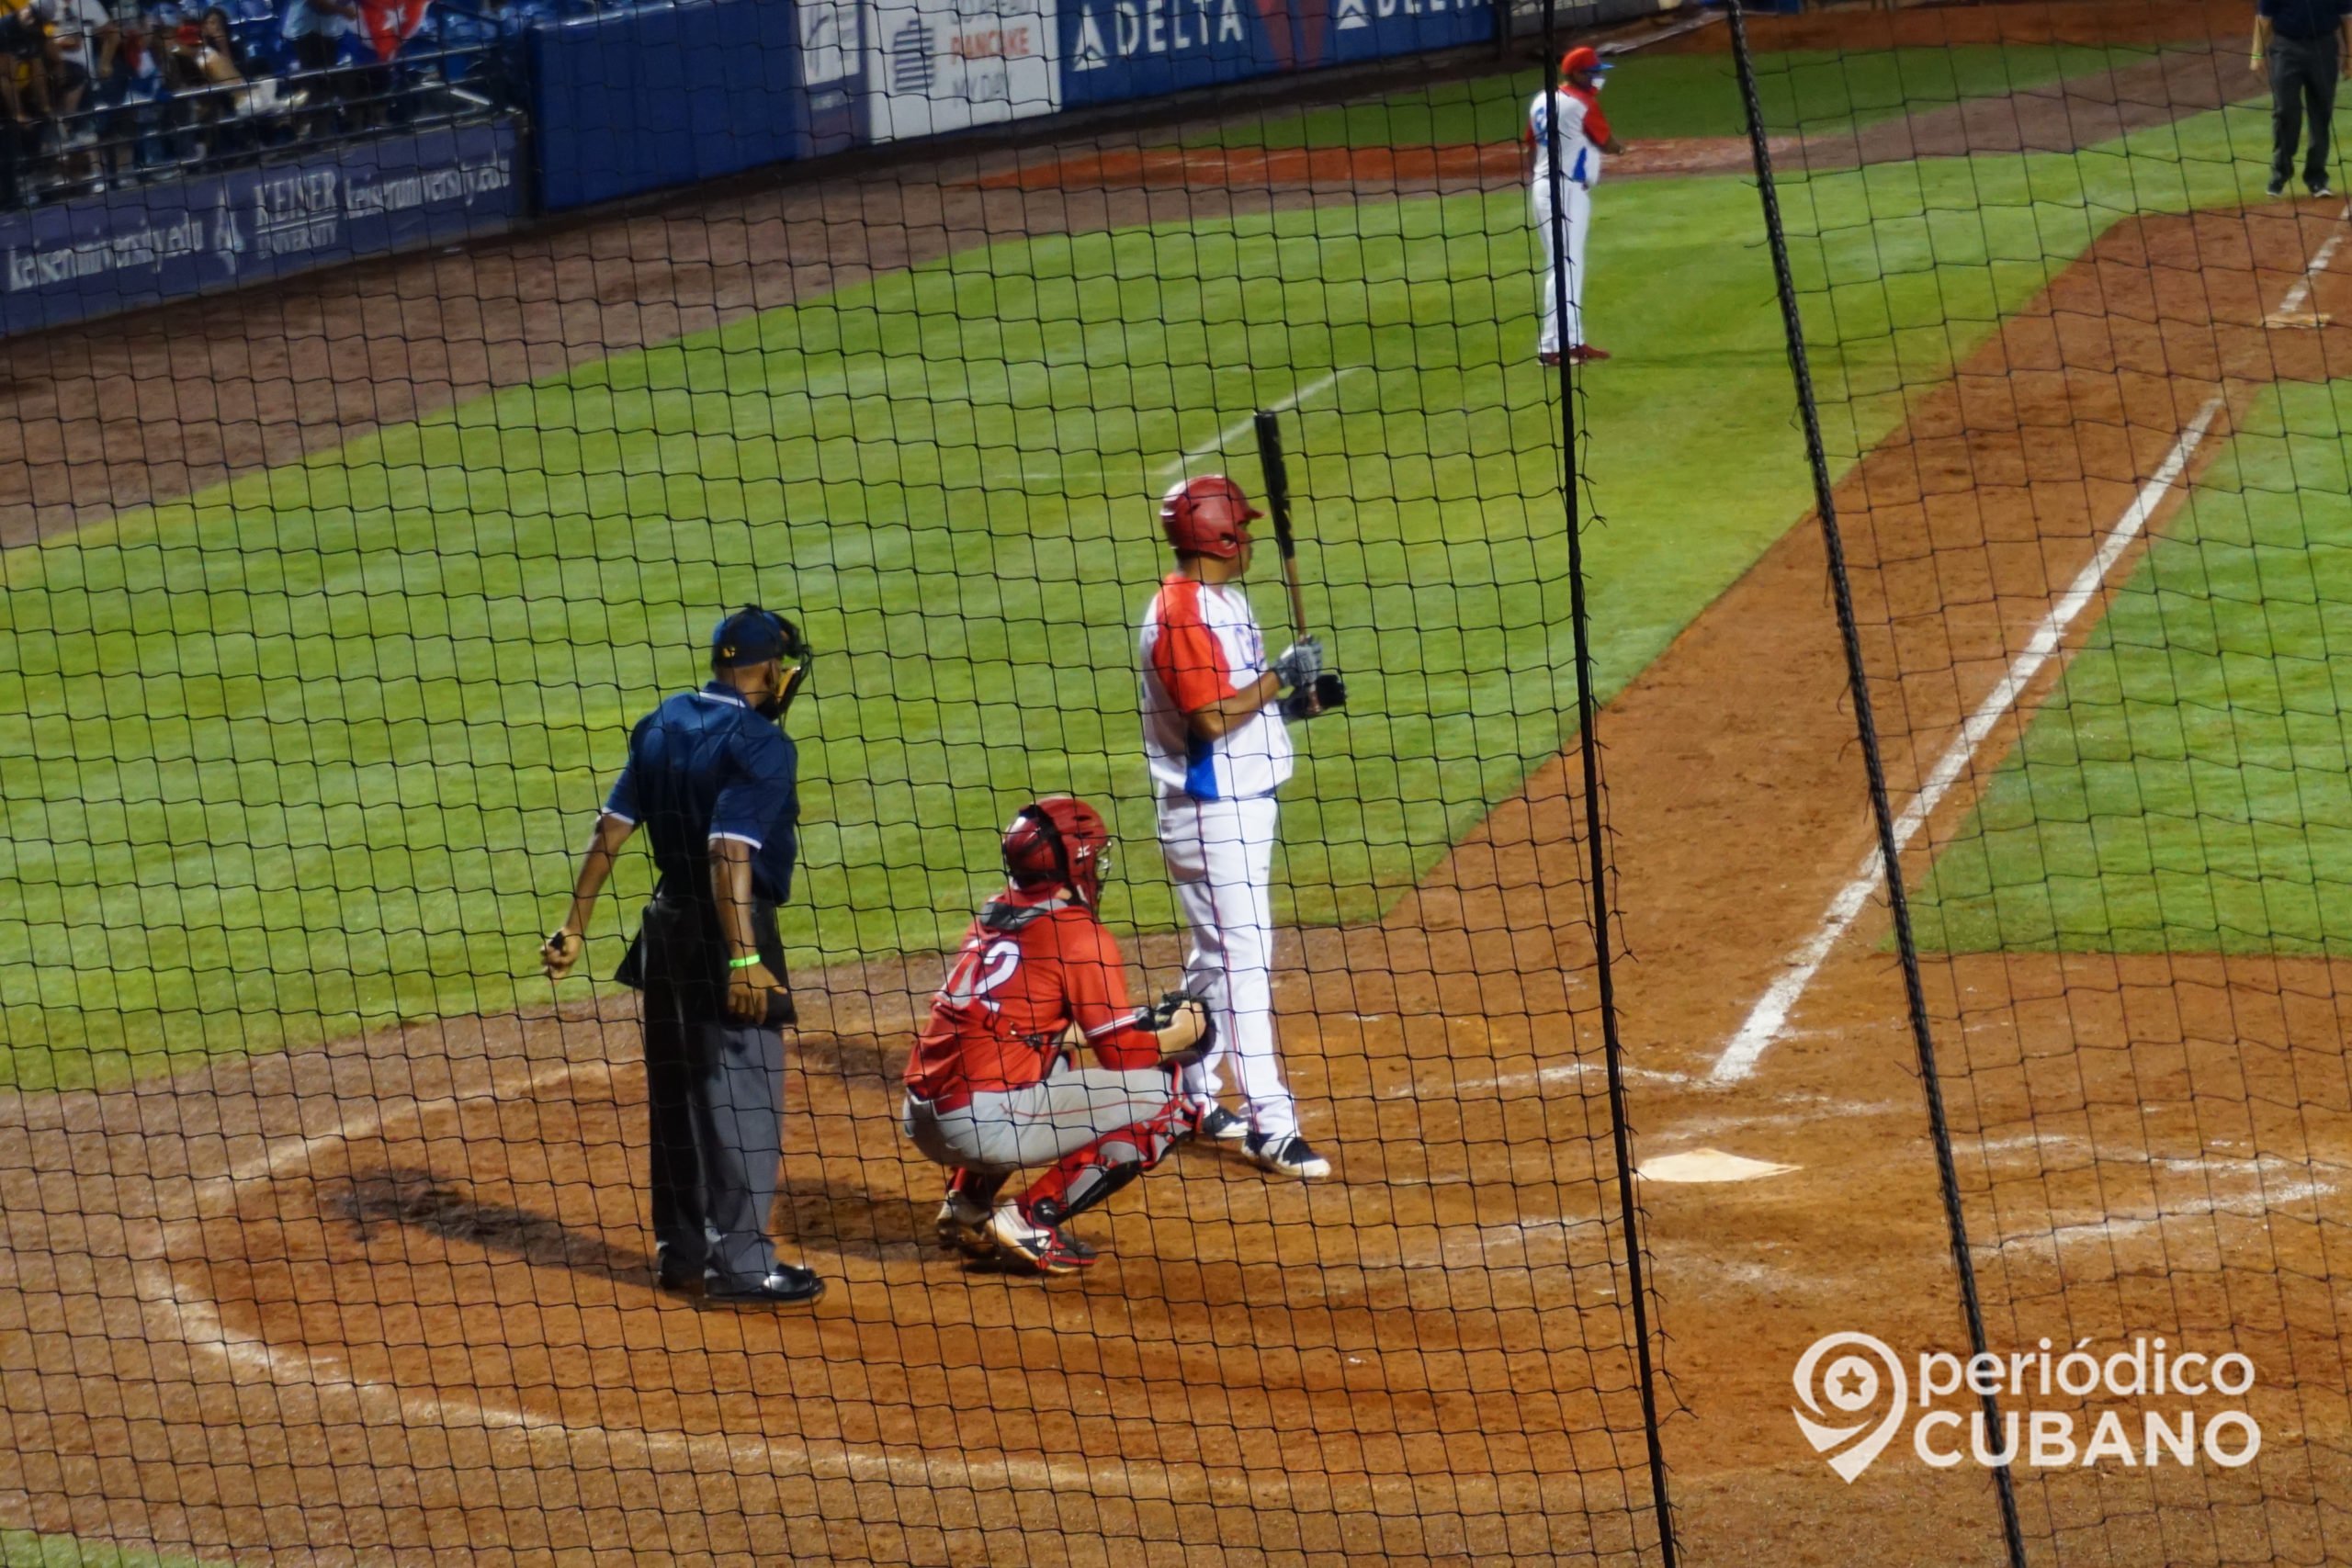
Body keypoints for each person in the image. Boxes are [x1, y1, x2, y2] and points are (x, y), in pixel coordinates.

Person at [540, 606, 826, 1308]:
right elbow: (727, 851)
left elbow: (611, 827)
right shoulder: (761, 743)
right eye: (781, 664)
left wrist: (573, 925)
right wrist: (743, 959)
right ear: (763, 667)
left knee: (676, 1095)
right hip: (724, 930)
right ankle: (744, 1264)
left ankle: (683, 1253)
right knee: (744, 1095)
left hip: (663, 931)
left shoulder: (663, 720)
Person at [902, 797, 1212, 1275]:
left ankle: (966, 1202)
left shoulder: (993, 912)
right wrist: (1180, 1033)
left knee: (1054, 1056)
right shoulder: (1079, 935)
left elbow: (1032, 1018)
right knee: (1172, 1102)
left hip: (923, 1115)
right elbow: (1121, 1056)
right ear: (1078, 861)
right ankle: (1030, 1217)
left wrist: (1137, 1023)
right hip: (981, 1127)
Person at [1140, 476, 1341, 1180]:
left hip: (1239, 797)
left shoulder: (1224, 601)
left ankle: (1190, 1093)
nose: (1252, 536)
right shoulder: (1179, 613)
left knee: (1215, 955)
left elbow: (1236, 715)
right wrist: (1278, 679)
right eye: (1243, 526)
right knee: (1245, 960)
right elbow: (1207, 718)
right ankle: (1270, 1122)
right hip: (1212, 811)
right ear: (1222, 536)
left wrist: (1296, 704)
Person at [1527, 44, 1624, 367]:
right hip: (1565, 190)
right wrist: (1620, 149)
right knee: (1564, 267)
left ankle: (1572, 341)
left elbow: (1531, 145)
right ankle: (1550, 348)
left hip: (1545, 186)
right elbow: (1607, 142)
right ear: (1577, 74)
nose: (1598, 78)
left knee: (1570, 266)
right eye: (1594, 73)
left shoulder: (1542, 99)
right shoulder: (1582, 104)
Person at [2254, 0, 2351, 198]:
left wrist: (2351, 55)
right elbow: (2263, 18)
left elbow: (2347, 18)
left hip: (2324, 47)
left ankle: (2317, 178)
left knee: (2321, 113)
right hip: (2285, 48)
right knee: (2285, 111)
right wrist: (2256, 54)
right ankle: (2280, 174)